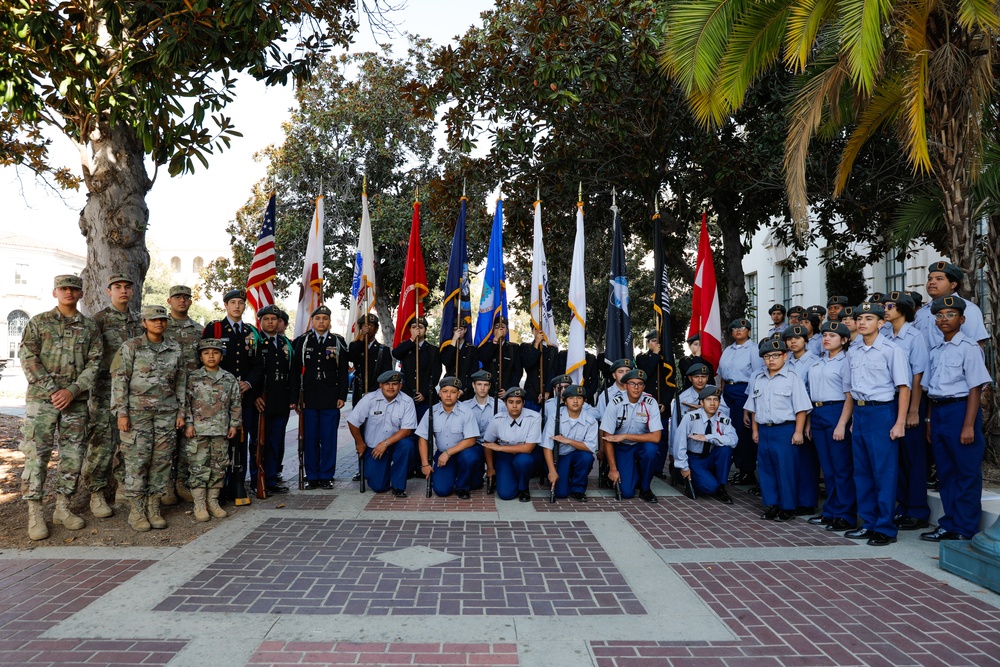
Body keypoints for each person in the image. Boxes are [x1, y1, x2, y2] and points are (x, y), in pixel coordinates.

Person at [19, 275, 102, 541]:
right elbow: (28, 357)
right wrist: (54, 391)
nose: (68, 292)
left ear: (80, 294)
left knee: (73, 456)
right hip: (42, 401)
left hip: (75, 402)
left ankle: (62, 508)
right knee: (37, 456)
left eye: (74, 289)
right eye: (64, 288)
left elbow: (95, 363)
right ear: (55, 292)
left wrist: (72, 390)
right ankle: (35, 513)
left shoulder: (89, 328)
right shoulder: (39, 323)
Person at [921, 296, 993, 542]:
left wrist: (968, 425)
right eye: (939, 315)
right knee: (946, 472)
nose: (944, 319)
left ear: (961, 319)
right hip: (939, 412)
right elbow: (931, 389)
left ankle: (964, 527)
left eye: (950, 315)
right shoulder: (936, 350)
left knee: (965, 473)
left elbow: (975, 388)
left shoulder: (969, 348)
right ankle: (949, 523)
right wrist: (929, 422)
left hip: (961, 410)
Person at [111, 305, 187, 531]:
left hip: (166, 414)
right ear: (144, 322)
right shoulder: (131, 347)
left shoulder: (174, 348)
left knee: (161, 462)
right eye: (153, 320)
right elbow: (120, 381)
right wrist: (122, 413)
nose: (159, 323)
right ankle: (136, 511)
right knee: (137, 461)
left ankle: (154, 508)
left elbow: (181, 382)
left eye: (162, 319)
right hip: (137, 415)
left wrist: (181, 412)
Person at [844, 301, 911, 546]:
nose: (862, 322)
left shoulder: (892, 350)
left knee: (884, 472)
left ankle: (885, 527)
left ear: (881, 323)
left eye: (869, 318)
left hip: (882, 413)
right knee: (862, 472)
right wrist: (851, 420)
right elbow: (850, 390)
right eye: (859, 318)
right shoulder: (853, 350)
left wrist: (900, 421)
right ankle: (869, 523)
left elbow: (904, 388)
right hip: (861, 415)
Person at [83, 273, 141, 515]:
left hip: (135, 392)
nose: (123, 291)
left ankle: (123, 488)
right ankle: (96, 494)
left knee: (130, 443)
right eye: (117, 287)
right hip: (105, 391)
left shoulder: (140, 321)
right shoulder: (99, 321)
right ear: (109, 291)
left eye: (127, 287)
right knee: (102, 444)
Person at [201, 288, 264, 502]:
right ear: (225, 305)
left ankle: (238, 484)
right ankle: (218, 488)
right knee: (219, 441)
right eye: (233, 302)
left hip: (243, 397)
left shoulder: (250, 332)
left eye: (240, 303)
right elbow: (205, 357)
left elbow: (257, 365)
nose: (237, 306)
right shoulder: (215, 328)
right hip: (217, 398)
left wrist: (249, 383)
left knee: (240, 441)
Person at [746, 338, 811, 522]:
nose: (771, 360)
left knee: (786, 470)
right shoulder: (759, 378)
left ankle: (788, 507)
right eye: (766, 357)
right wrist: (755, 430)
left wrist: (798, 431)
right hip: (765, 430)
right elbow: (754, 407)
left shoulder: (792, 377)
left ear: (785, 355)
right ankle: (773, 504)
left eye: (775, 355)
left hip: (785, 430)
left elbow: (801, 409)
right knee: (766, 469)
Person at [880, 291, 930, 531]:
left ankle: (917, 509)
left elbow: (918, 376)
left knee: (914, 457)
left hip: (910, 398)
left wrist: (913, 410)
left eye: (890, 305)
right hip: (889, 400)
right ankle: (902, 506)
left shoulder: (915, 336)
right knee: (896, 456)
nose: (885, 309)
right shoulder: (884, 334)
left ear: (903, 309)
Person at [805, 321, 856, 531]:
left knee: (841, 467)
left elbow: (850, 396)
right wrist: (809, 421)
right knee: (827, 468)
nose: (826, 338)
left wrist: (842, 424)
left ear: (844, 340)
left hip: (837, 411)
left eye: (833, 336)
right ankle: (831, 511)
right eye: (825, 334)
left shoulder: (846, 362)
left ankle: (845, 514)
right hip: (817, 413)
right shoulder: (817, 362)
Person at [184, 338, 241, 522]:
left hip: (220, 430)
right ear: (200, 356)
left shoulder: (229, 378)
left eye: (215, 352)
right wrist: (189, 424)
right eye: (206, 353)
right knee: (198, 467)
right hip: (198, 431)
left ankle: (213, 501)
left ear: (221, 356)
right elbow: (185, 403)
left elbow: (235, 404)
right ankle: (199, 504)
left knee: (219, 466)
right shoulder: (193, 378)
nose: (211, 356)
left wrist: (234, 425)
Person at [291, 305, 349, 490]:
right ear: (312, 321)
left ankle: (326, 475)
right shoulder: (303, 341)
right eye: (318, 319)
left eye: (325, 318)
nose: (321, 322)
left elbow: (342, 371)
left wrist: (342, 396)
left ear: (329, 321)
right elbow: (295, 372)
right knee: (310, 439)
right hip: (308, 398)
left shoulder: (338, 341)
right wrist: (296, 397)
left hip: (330, 398)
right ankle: (312, 476)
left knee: (328, 439)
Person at [348, 370, 418, 496]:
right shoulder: (370, 399)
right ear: (380, 385)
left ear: (400, 385)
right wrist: (360, 443)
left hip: (396, 444)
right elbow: (353, 421)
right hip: (374, 448)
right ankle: (385, 474)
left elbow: (407, 430)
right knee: (378, 486)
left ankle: (398, 485)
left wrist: (385, 443)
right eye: (387, 384)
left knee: (407, 445)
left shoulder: (407, 401)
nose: (391, 387)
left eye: (395, 384)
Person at [163, 285, 201, 505]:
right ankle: (167, 485)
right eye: (177, 297)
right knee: (166, 440)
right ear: (169, 301)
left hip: (191, 393)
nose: (182, 301)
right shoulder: (161, 326)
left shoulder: (198, 329)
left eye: (186, 297)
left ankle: (181, 482)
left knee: (188, 440)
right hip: (166, 392)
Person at [600, 369, 663, 502]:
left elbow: (656, 437)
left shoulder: (650, 403)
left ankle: (645, 488)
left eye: (640, 384)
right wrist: (613, 468)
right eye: (632, 383)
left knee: (651, 451)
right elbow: (607, 437)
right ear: (625, 386)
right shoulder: (615, 403)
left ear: (644, 386)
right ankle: (617, 472)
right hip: (622, 448)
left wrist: (625, 436)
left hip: (641, 445)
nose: (636, 387)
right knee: (627, 492)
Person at [417, 377, 482, 498]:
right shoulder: (431, 412)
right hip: (443, 456)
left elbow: (471, 440)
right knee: (441, 490)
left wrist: (448, 453)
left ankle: (462, 487)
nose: (448, 395)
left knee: (470, 457)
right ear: (439, 393)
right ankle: (453, 476)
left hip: (462, 453)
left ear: (458, 394)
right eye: (445, 391)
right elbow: (422, 438)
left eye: (453, 392)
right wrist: (425, 464)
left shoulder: (466, 411)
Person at [717, 318, 764, 485]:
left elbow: (757, 376)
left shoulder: (753, 349)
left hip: (744, 391)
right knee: (728, 428)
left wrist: (750, 401)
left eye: (742, 328)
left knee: (743, 432)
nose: (738, 331)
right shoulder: (728, 350)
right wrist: (722, 393)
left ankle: (747, 470)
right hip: (728, 391)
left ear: (749, 331)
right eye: (734, 328)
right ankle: (739, 467)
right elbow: (722, 374)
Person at [253, 305, 294, 495]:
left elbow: (293, 373)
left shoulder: (286, 343)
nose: (271, 322)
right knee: (259, 442)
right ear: (260, 321)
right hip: (261, 400)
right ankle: (256, 480)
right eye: (266, 319)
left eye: (274, 319)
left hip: (280, 399)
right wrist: (254, 396)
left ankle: (270, 479)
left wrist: (293, 398)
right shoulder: (254, 341)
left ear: (280, 322)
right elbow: (251, 372)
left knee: (275, 441)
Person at [673, 385, 738, 503]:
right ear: (701, 402)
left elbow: (733, 440)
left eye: (716, 399)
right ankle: (685, 476)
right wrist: (683, 466)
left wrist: (708, 438)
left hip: (711, 456)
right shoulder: (690, 418)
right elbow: (679, 442)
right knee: (710, 487)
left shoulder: (723, 419)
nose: (712, 403)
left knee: (726, 450)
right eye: (709, 399)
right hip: (694, 458)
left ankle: (722, 487)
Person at [781, 324, 821, 513]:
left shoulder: (815, 361)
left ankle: (807, 502)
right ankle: (793, 499)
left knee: (807, 461)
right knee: (792, 461)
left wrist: (807, 423)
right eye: (789, 339)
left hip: (807, 416)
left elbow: (812, 394)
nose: (793, 342)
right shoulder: (786, 361)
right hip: (788, 416)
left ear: (806, 340)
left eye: (797, 338)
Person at [482, 387, 542, 501]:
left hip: (524, 455)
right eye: (511, 402)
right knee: (505, 495)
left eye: (518, 402)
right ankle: (511, 478)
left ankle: (524, 488)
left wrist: (499, 448)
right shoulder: (497, 419)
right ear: (505, 403)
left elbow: (528, 448)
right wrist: (490, 467)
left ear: (523, 403)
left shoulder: (534, 417)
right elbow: (487, 443)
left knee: (523, 461)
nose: (514, 406)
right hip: (505, 457)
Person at [541, 384, 598, 501]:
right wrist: (552, 471)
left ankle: (579, 489)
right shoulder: (555, 417)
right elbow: (547, 447)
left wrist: (568, 441)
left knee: (587, 457)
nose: (575, 401)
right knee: (561, 493)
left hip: (576, 455)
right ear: (565, 401)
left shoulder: (590, 420)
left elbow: (590, 447)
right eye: (571, 398)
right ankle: (563, 475)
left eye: (579, 398)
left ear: (584, 401)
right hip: (559, 457)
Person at [392, 316, 442, 420]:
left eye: (421, 327)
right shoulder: (406, 347)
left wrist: (424, 392)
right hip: (406, 396)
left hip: (426, 397)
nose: (417, 330)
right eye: (414, 327)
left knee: (425, 430)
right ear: (410, 330)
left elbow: (436, 374)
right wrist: (411, 339)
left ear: (426, 330)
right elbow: (396, 353)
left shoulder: (433, 350)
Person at [348, 314, 392, 404]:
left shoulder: (383, 349)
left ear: (376, 329)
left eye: (370, 325)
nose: (367, 328)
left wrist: (374, 390)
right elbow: (352, 358)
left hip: (377, 390)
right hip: (359, 389)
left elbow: (387, 373)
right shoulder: (356, 345)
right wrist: (361, 338)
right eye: (364, 325)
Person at [478, 316, 524, 397]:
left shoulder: (514, 348)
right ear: (493, 331)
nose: (500, 329)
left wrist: (508, 389)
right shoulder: (485, 346)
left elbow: (518, 372)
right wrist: (495, 340)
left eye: (503, 327)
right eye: (496, 327)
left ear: (507, 330)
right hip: (489, 393)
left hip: (508, 393)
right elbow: (483, 358)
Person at [521, 324, 557, 413]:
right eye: (536, 329)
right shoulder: (526, 347)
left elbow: (553, 371)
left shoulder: (552, 349)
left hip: (547, 394)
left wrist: (548, 390)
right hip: (531, 394)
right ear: (533, 331)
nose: (540, 332)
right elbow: (528, 364)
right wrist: (536, 344)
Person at [441, 323, 480, 400]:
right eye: (455, 329)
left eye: (461, 329)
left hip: (465, 390)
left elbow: (473, 371)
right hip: (450, 387)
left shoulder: (472, 349)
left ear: (465, 330)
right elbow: (447, 362)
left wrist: (464, 389)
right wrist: (454, 342)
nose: (458, 332)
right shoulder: (447, 348)